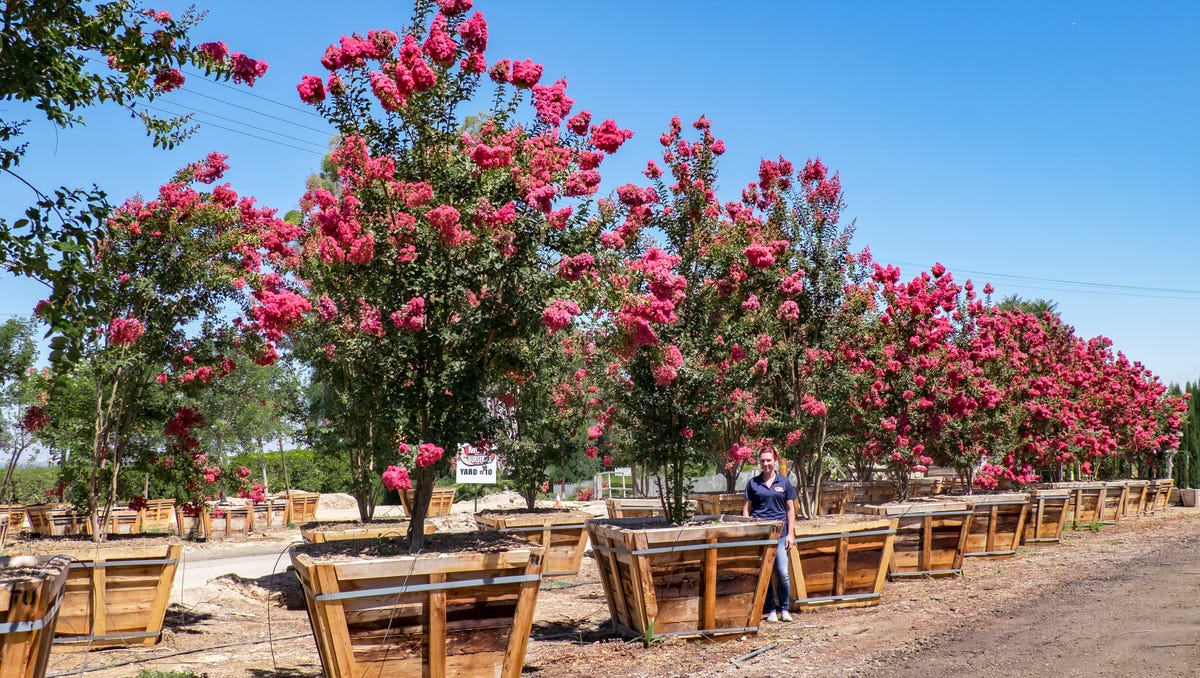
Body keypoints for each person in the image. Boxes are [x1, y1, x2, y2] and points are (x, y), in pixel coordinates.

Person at [742, 448, 796, 622]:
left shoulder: (784, 483)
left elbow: (790, 509)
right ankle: (771, 610)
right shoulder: (753, 483)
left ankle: (785, 609)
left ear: (775, 461)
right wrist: (748, 529)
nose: (765, 463)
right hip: (761, 535)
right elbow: (747, 508)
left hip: (780, 535)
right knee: (764, 573)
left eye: (768, 460)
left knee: (782, 572)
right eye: (763, 461)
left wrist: (790, 534)